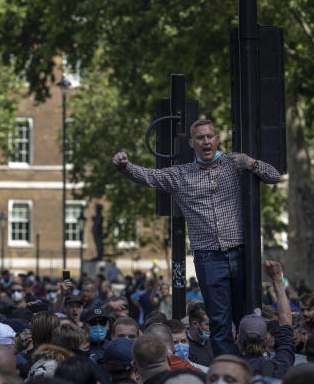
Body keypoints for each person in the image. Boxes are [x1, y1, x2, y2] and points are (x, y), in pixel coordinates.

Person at [112, 118, 282, 356]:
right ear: (192, 143)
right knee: (220, 323)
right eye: (200, 138)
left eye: (209, 136)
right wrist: (124, 166)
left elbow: (274, 176)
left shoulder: (235, 164)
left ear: (217, 139)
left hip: (241, 252)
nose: (205, 141)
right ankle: (229, 367)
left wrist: (251, 163)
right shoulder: (180, 175)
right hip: (208, 258)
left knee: (248, 319)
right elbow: (149, 177)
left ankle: (252, 363)